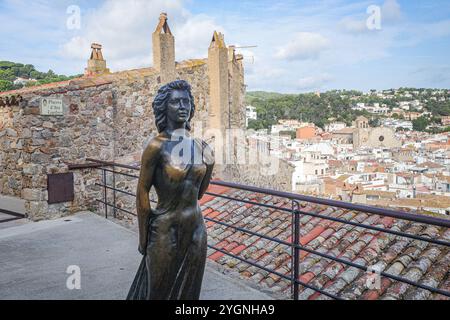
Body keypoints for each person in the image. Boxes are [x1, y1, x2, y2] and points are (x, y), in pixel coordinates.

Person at [127, 80, 215, 300]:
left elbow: (199, 193)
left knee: (190, 293)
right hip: (165, 229)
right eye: (176, 102)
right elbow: (142, 192)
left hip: (196, 229)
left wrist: (210, 165)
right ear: (164, 107)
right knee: (158, 292)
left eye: (186, 101)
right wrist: (144, 237)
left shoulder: (200, 146)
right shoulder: (156, 146)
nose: (183, 106)